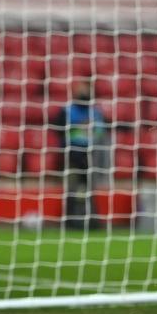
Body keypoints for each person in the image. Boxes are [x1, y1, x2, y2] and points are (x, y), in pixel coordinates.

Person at [50, 79, 109, 230]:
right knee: (72, 188)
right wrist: (77, 128)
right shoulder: (67, 111)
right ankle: (69, 221)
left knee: (90, 189)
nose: (85, 94)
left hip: (90, 154)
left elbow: (101, 131)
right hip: (72, 153)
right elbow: (58, 129)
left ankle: (93, 221)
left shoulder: (95, 113)